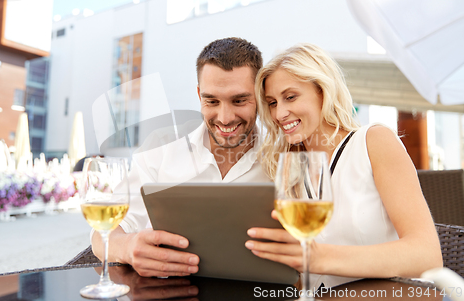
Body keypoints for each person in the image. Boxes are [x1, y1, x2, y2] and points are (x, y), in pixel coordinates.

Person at [246, 43, 443, 288]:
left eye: (290, 97)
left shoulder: (374, 142)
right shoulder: (287, 166)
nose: (280, 113)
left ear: (322, 92)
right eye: (272, 103)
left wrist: (319, 258)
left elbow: (426, 254)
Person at [91, 37, 270, 278]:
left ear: (260, 95)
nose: (225, 118)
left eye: (239, 100)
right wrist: (127, 248)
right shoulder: (161, 147)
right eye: (212, 101)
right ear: (199, 95)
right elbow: (103, 235)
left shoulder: (285, 157)